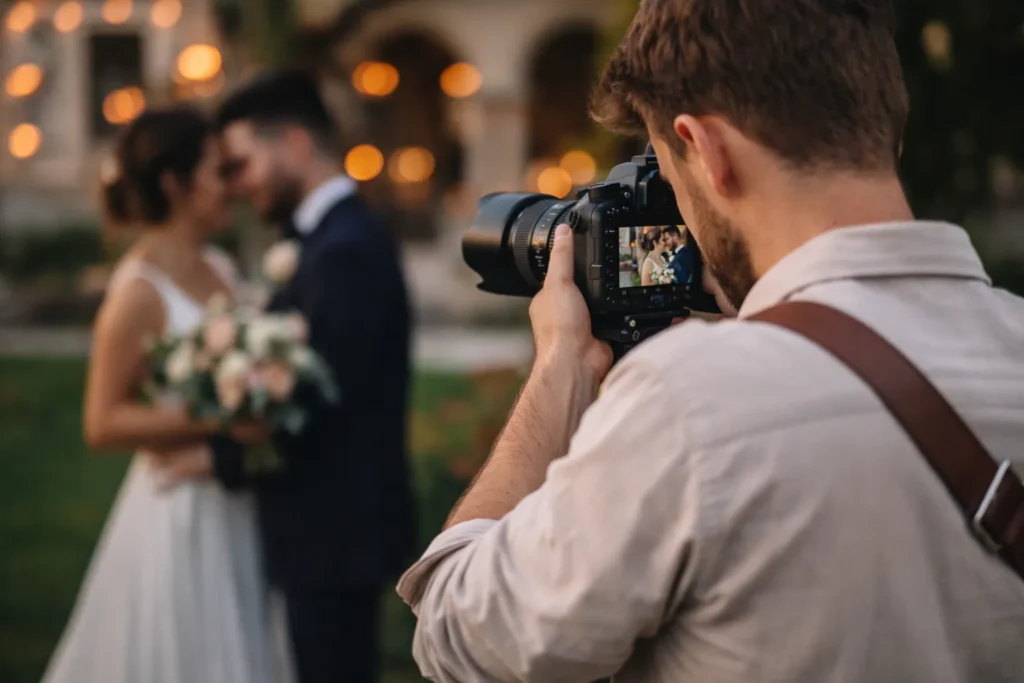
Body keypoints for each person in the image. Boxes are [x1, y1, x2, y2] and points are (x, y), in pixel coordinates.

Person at [398, 1, 1024, 681]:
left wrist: (558, 369)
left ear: (707, 151)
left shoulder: (692, 399)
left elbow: (455, 637)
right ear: (887, 137)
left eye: (669, 179)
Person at [42, 106, 291, 683]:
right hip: (178, 509)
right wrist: (220, 414)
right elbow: (101, 422)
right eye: (215, 170)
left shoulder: (223, 267)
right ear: (174, 184)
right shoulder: (136, 293)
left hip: (238, 500)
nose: (231, 184)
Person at [205, 69, 416, 683]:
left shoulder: (344, 247)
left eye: (241, 163)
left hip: (334, 532)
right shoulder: (328, 239)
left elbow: (318, 402)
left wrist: (212, 460)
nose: (238, 185)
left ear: (294, 144)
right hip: (327, 532)